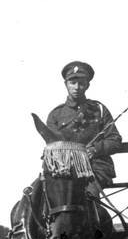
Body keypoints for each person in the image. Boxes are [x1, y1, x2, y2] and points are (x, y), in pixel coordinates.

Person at [45, 61, 123, 190]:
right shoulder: (55, 115)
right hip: (65, 168)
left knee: (88, 194)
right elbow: (52, 147)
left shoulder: (99, 109)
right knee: (44, 195)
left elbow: (114, 140)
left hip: (96, 167)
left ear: (87, 85)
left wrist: (95, 150)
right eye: (72, 83)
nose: (77, 87)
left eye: (81, 83)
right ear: (66, 84)